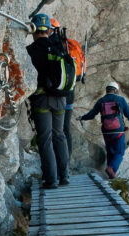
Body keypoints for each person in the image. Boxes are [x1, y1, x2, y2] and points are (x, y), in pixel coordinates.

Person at [27, 14, 70, 188]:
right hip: (60, 98)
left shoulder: (31, 50)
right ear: (49, 30)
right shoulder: (58, 47)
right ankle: (65, 176)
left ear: (34, 29)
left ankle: (51, 179)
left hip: (42, 99)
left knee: (45, 138)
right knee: (59, 135)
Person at [77, 82, 129, 179]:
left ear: (107, 90)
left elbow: (91, 114)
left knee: (110, 152)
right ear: (115, 90)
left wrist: (82, 117)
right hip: (118, 131)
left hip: (106, 132)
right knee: (119, 152)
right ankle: (111, 169)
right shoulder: (120, 100)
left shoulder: (101, 101)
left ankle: (110, 174)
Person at [50, 18, 86, 159]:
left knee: (55, 129)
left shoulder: (53, 45)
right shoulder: (69, 45)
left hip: (57, 93)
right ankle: (66, 162)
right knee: (65, 128)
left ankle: (58, 162)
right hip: (70, 91)